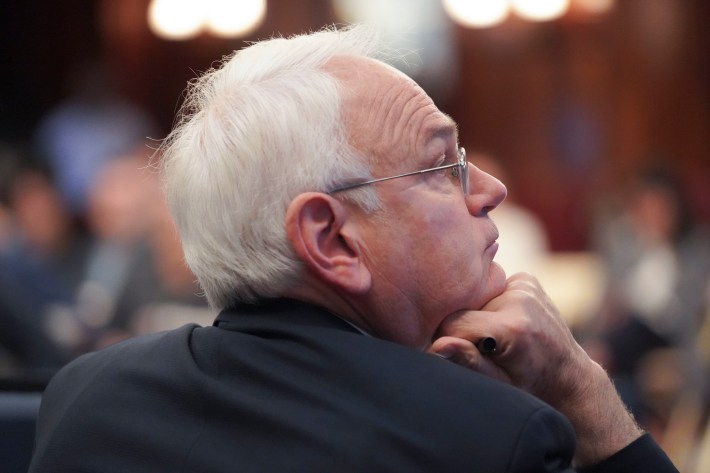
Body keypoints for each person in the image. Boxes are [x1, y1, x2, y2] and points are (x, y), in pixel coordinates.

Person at [28, 26, 678, 472]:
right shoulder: (489, 436)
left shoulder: (86, 399)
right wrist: (581, 390)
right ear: (332, 239)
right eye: (442, 166)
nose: (491, 190)